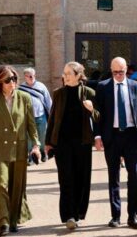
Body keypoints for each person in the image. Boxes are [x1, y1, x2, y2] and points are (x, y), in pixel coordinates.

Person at [0, 65, 41, 235]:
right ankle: (1, 223)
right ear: (0, 81)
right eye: (8, 80)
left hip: (19, 148)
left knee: (17, 187)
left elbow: (31, 124)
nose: (12, 83)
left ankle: (13, 219)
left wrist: (36, 145)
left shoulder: (25, 97)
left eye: (14, 79)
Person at [95, 57, 137, 230]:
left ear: (127, 70)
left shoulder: (136, 86)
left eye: (122, 72)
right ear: (111, 71)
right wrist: (97, 136)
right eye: (115, 72)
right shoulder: (103, 87)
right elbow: (98, 114)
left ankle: (133, 216)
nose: (118, 75)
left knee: (134, 176)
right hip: (112, 137)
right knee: (114, 177)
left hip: (131, 137)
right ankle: (115, 216)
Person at [45, 62, 100, 230]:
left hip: (82, 143)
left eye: (69, 73)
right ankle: (69, 215)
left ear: (78, 75)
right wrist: (48, 142)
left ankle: (78, 214)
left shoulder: (89, 93)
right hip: (62, 144)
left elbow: (99, 118)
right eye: (64, 73)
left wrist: (92, 110)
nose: (65, 76)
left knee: (81, 179)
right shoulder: (58, 94)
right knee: (66, 178)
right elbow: (52, 118)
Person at [18, 67, 52, 163]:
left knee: (42, 135)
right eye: (28, 75)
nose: (31, 77)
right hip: (28, 117)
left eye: (32, 75)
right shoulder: (21, 88)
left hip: (41, 115)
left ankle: (42, 153)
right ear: (25, 77)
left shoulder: (41, 86)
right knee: (29, 137)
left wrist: (52, 115)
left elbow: (48, 101)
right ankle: (31, 156)